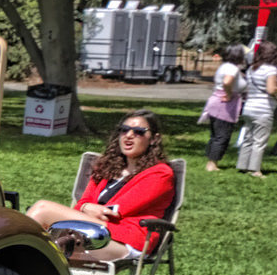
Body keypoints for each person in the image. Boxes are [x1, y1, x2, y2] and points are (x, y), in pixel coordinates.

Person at [25, 110, 176, 262]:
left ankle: (8, 260)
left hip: (126, 240)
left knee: (42, 209)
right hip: (91, 231)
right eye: (124, 130)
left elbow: (115, 211)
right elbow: (82, 203)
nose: (129, 135)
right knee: (42, 233)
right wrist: (85, 208)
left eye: (138, 132)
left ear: (153, 139)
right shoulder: (106, 167)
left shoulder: (160, 174)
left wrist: (87, 208)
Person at [236, 42, 277, 178]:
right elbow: (271, 90)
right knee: (259, 140)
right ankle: (255, 169)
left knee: (248, 137)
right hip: (263, 109)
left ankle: (243, 165)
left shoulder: (252, 68)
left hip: (249, 107)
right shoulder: (271, 70)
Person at [202, 44, 247, 171]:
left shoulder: (224, 66)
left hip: (215, 102)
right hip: (224, 104)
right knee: (222, 135)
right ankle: (212, 164)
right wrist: (228, 95)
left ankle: (211, 160)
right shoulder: (232, 68)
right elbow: (227, 82)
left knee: (215, 134)